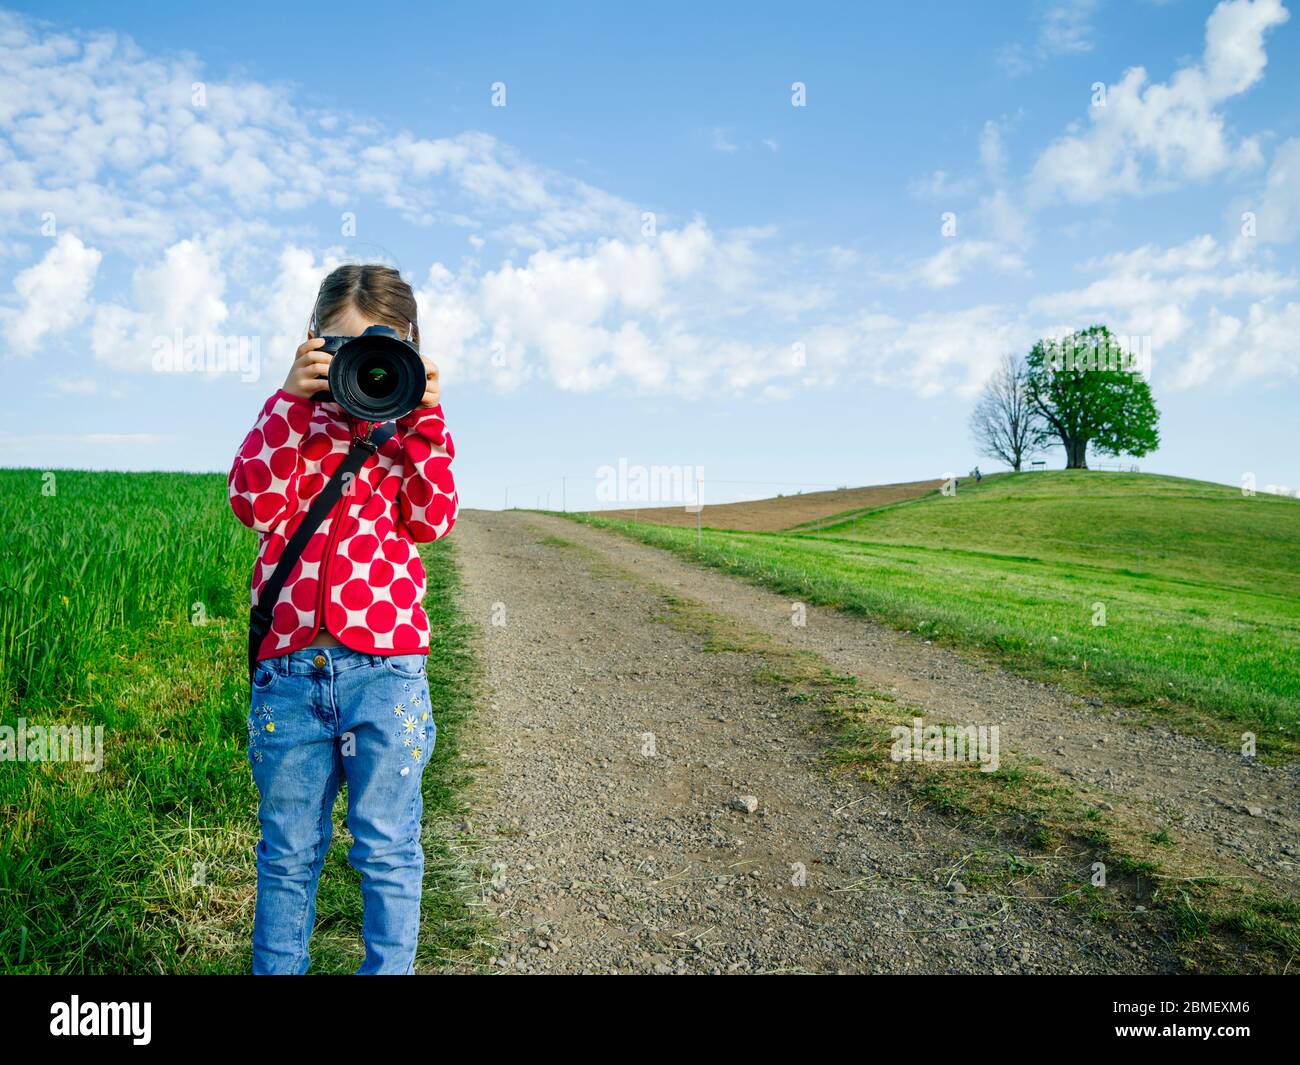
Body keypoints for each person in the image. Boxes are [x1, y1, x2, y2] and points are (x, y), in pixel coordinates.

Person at [227, 263, 458, 974]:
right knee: (287, 856)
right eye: (341, 347)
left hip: (385, 675)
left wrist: (422, 417)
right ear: (312, 344)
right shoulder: (294, 427)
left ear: (412, 348)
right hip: (291, 672)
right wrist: (287, 403)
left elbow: (433, 519)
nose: (365, 366)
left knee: (387, 848)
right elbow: (254, 505)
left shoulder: (409, 434)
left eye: (383, 350)